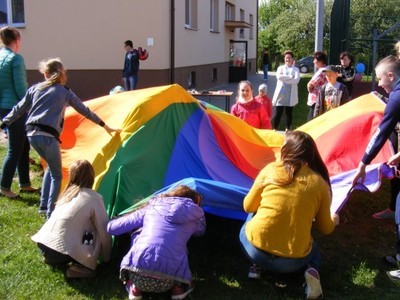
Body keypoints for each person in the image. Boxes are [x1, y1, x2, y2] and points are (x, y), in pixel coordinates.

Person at [0, 58, 121, 219]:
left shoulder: (35, 89)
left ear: (45, 74)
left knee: (51, 168)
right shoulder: (64, 91)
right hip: (48, 136)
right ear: (62, 74)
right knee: (57, 175)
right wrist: (105, 126)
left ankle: (44, 207)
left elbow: (19, 108)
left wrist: (4, 123)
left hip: (31, 134)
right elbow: (84, 110)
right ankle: (50, 213)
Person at [239, 130, 338, 299]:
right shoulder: (319, 183)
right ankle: (311, 271)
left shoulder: (270, 170)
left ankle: (256, 266)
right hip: (291, 262)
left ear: (287, 150)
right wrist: (334, 219)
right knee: (312, 249)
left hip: (253, 250)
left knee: (252, 216)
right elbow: (325, 228)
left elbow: (248, 207)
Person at [107, 185, 206, 300]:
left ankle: (136, 289)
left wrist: (112, 221)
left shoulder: (153, 207)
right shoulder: (194, 216)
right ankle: (178, 289)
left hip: (138, 275)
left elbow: (113, 228)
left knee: (139, 236)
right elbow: (200, 232)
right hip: (170, 279)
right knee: (180, 247)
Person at [351, 55, 400, 269]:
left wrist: (362, 164)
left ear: (391, 75)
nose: (379, 83)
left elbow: (381, 132)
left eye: (380, 78)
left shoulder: (397, 97)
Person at [31, 160, 112, 278]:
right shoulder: (94, 198)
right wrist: (107, 258)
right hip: (60, 252)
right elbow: (104, 231)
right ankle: (82, 267)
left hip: (43, 244)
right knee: (95, 229)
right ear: (91, 176)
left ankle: (50, 257)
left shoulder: (66, 194)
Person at [0, 26, 38, 198]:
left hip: (3, 107)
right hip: (15, 108)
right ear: (16, 40)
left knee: (23, 146)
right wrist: (29, 106)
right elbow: (21, 88)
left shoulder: (1, 57)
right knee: (15, 148)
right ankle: (4, 186)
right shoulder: (15, 59)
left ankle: (25, 183)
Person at [271, 50, 300, 130]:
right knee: (278, 113)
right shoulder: (280, 68)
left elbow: (296, 80)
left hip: (290, 95)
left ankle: (287, 129)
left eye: (289, 58)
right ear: (284, 59)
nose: (288, 59)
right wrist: (291, 77)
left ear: (292, 59)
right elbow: (279, 77)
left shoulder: (296, 70)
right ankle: (275, 129)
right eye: (286, 58)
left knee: (289, 113)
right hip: (281, 95)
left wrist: (285, 79)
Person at [306, 51, 328, 121]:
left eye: (315, 59)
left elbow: (311, 85)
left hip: (316, 99)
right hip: (322, 98)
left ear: (320, 61)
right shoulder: (327, 69)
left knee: (311, 120)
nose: (313, 62)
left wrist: (309, 87)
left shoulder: (322, 71)